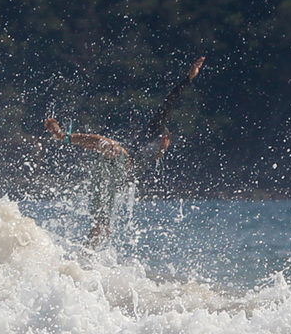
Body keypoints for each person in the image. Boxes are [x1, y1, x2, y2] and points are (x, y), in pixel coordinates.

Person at [45, 57, 204, 247]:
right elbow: (168, 103)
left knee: (102, 227)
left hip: (116, 174)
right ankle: (63, 136)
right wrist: (188, 80)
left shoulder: (155, 158)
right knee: (110, 148)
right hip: (110, 166)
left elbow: (131, 178)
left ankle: (81, 264)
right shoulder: (155, 131)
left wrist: (160, 153)